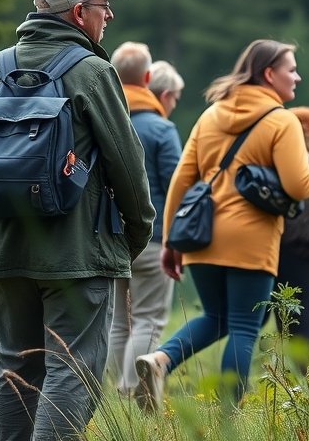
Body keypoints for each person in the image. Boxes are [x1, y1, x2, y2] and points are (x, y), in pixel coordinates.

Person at [0, 0, 155, 440]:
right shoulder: (94, 72)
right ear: (78, 12)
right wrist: (133, 238)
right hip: (78, 254)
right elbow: (128, 164)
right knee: (72, 370)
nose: (109, 17)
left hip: (4, 250)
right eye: (103, 7)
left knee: (13, 370)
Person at [135, 39, 309, 410]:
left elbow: (181, 180)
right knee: (242, 327)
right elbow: (298, 185)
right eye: (291, 69)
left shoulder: (210, 116)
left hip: (200, 236)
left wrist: (173, 240)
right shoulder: (282, 121)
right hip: (250, 241)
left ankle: (160, 361)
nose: (297, 77)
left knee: (217, 317)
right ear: (269, 74)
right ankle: (227, 418)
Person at [106, 44, 184, 398]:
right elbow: (176, 187)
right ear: (147, 78)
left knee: (118, 324)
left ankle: (113, 397)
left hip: (109, 237)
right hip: (151, 240)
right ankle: (134, 392)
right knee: (148, 319)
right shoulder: (160, 129)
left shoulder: (106, 119)